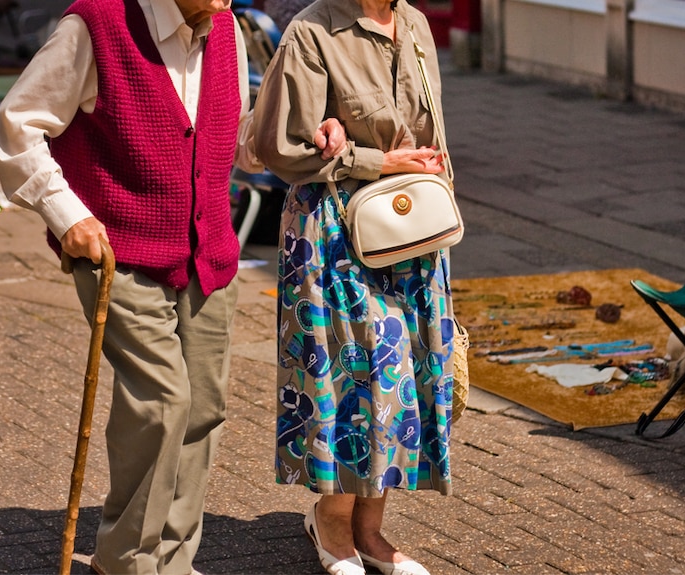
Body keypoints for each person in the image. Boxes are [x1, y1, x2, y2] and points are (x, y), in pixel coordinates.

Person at [0, 0, 344, 573]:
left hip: (206, 252)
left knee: (203, 408)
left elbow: (237, 141)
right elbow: (18, 125)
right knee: (162, 403)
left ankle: (173, 560)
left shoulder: (226, 28)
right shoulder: (96, 26)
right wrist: (67, 215)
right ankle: (126, 561)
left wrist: (304, 134)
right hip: (118, 253)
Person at [251, 1, 455, 574]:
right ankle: (333, 522)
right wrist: (372, 160)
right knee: (353, 375)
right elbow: (278, 145)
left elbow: (427, 128)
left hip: (408, 224)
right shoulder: (312, 31)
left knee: (402, 377)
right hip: (334, 232)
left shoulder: (413, 23)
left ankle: (370, 529)